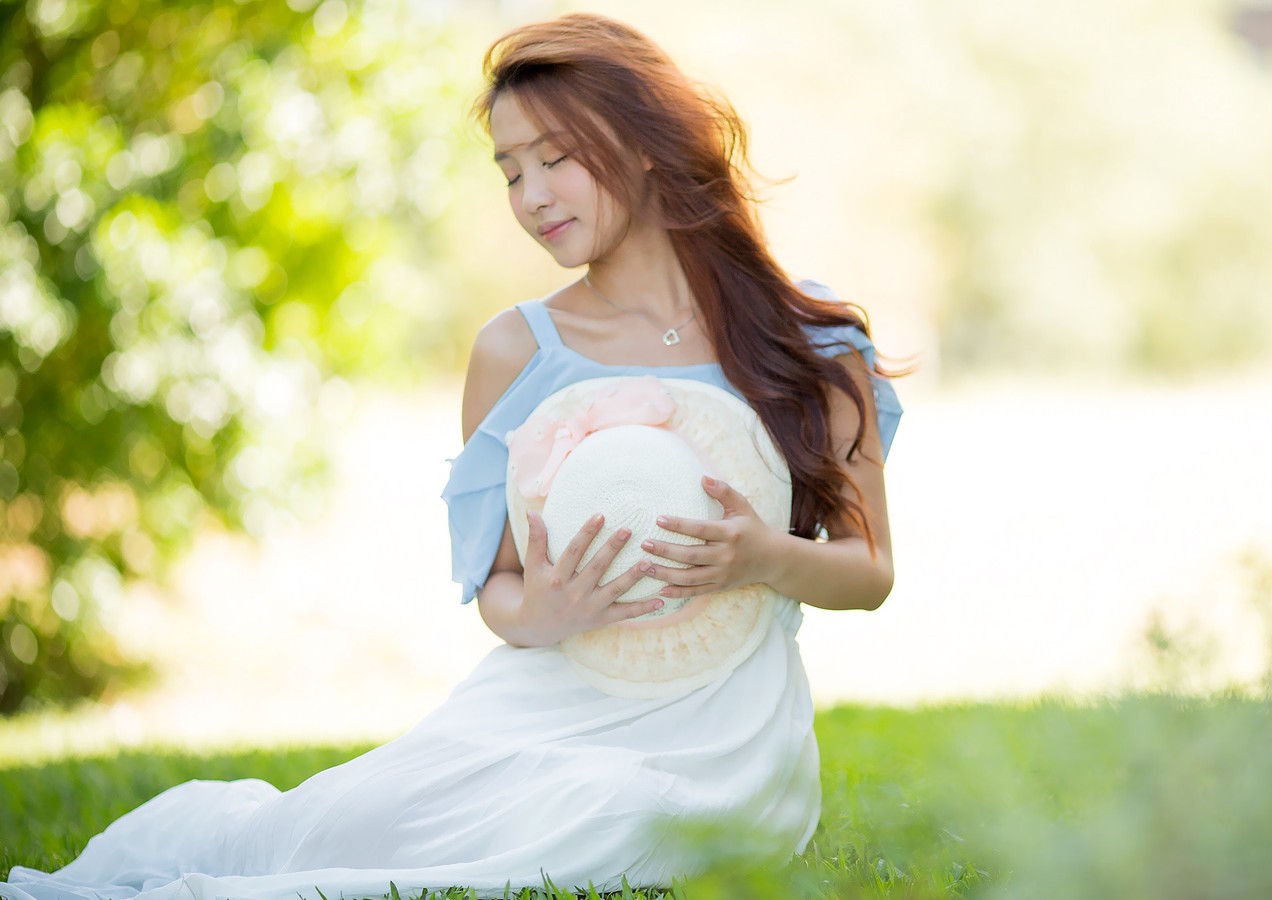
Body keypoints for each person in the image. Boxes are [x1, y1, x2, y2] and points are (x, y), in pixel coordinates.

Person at [0, 12, 902, 899]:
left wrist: (765, 558)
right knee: (321, 836)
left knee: (617, 815)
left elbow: (870, 570)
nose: (532, 197)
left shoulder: (809, 338)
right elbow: (501, 592)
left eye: (555, 158)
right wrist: (542, 610)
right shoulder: (517, 352)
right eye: (510, 172)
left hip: (722, 731)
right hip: (546, 698)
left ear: (647, 145)